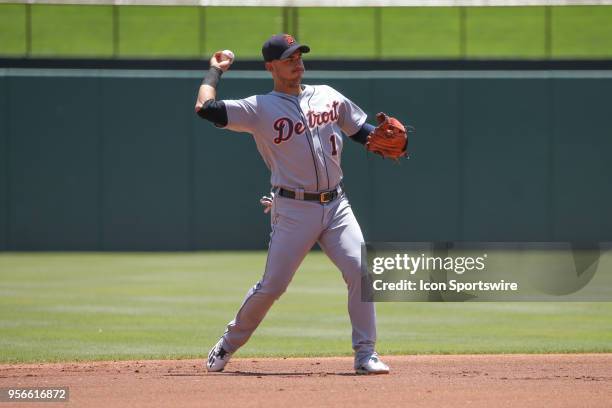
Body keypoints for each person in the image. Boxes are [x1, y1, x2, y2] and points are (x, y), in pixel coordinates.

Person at [194, 33, 389, 375]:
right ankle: (228, 343)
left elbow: (360, 131)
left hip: (337, 205)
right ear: (271, 67)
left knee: (361, 270)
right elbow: (205, 109)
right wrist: (214, 72)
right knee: (273, 286)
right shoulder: (259, 108)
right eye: (288, 58)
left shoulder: (328, 95)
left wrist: (380, 138)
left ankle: (365, 354)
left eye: (299, 55)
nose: (297, 61)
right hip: (294, 209)